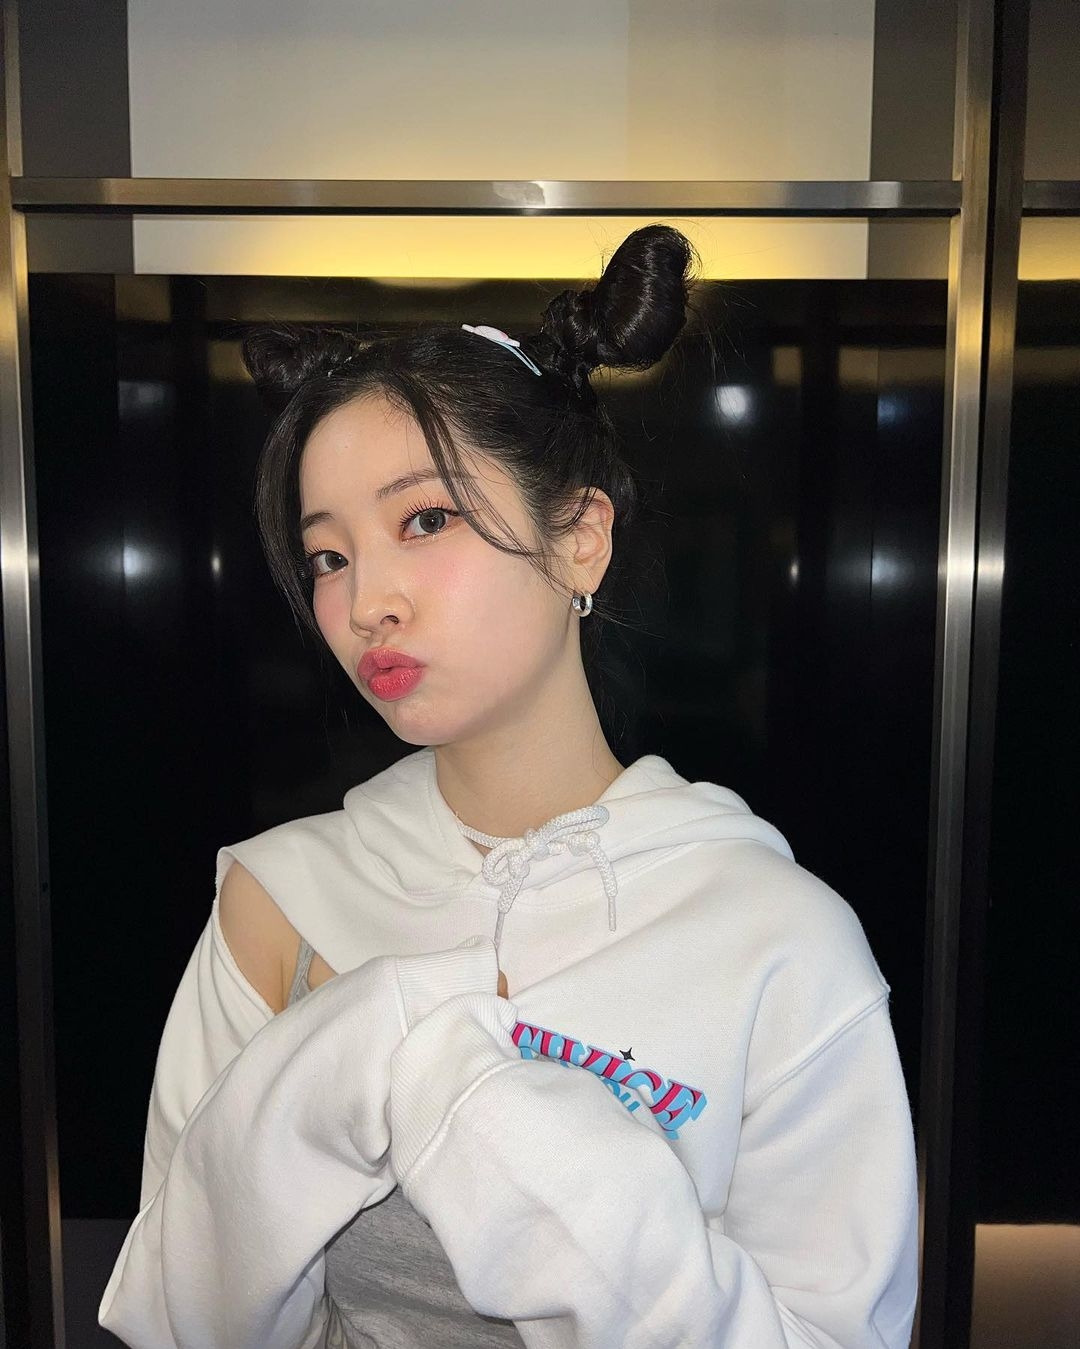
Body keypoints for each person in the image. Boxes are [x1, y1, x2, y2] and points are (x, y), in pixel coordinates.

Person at [99, 224, 919, 1348]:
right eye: (329, 555)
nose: (365, 602)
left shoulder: (776, 938)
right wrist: (332, 1068)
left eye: (425, 520)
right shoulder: (278, 904)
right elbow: (181, 1317)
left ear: (579, 538)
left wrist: (477, 1103)